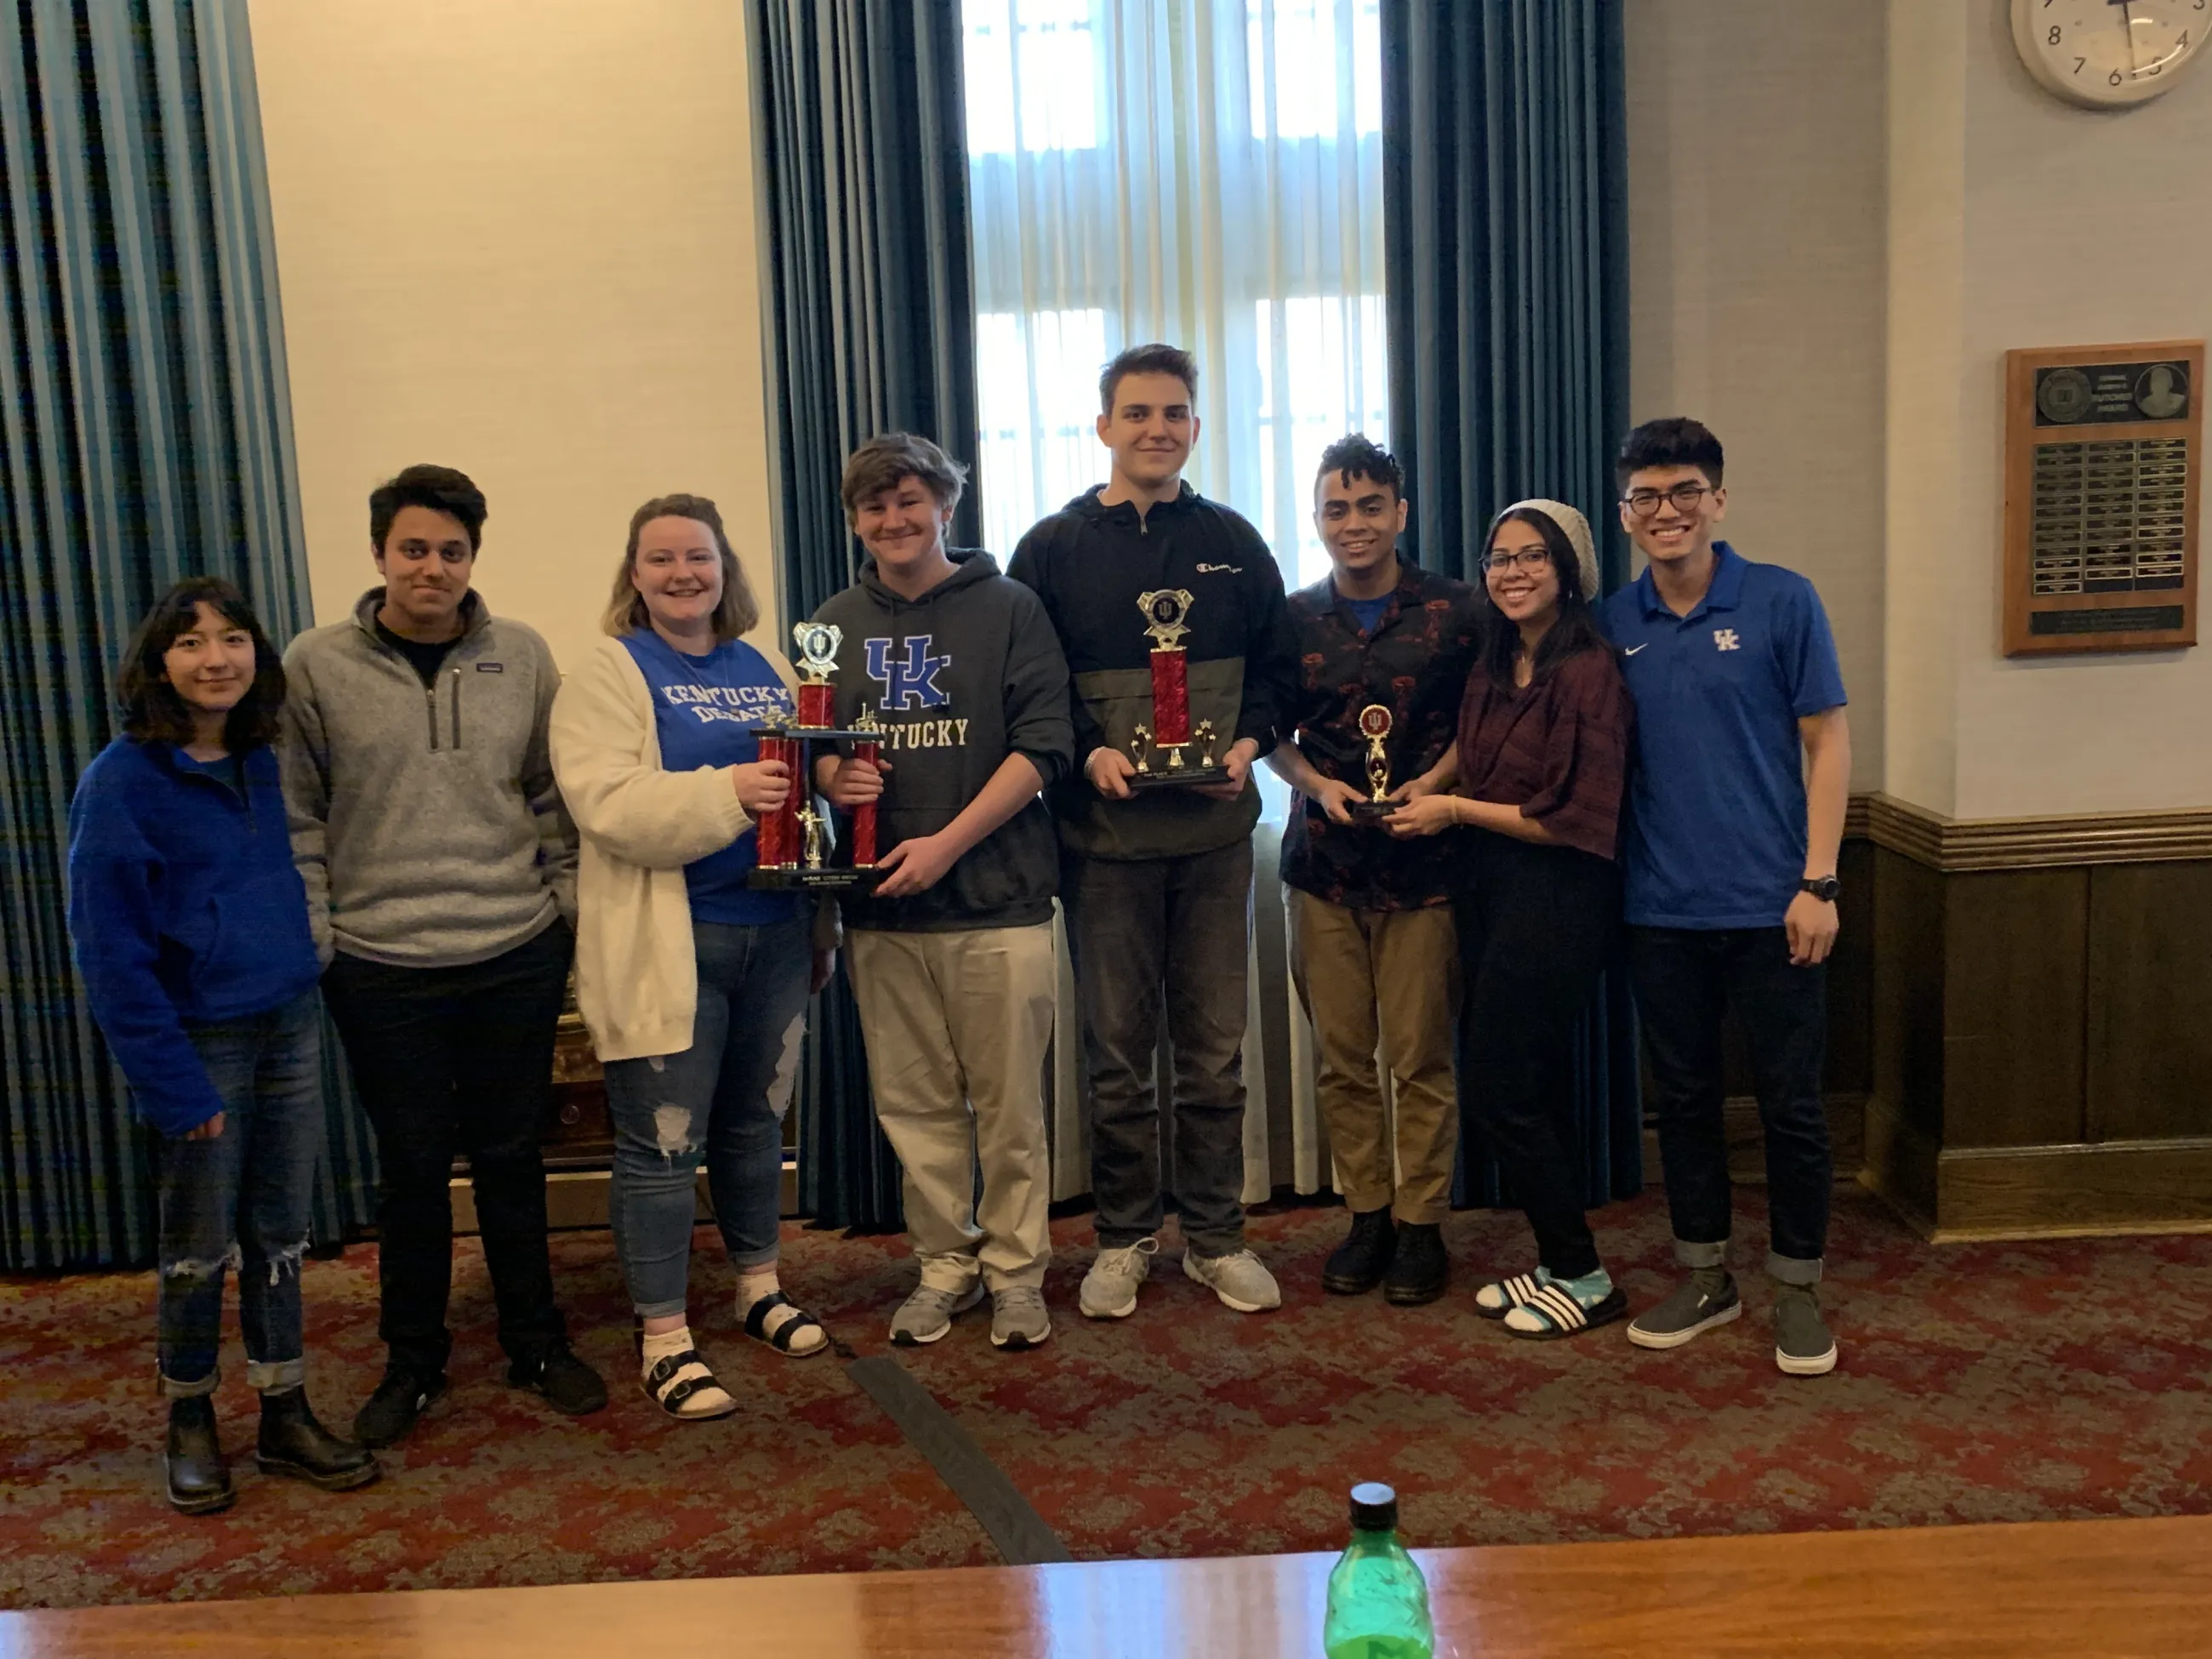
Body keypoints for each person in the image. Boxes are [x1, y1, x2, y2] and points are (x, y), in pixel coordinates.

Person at [280, 464, 605, 1446]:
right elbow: (297, 811)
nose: (433, 567)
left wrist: (565, 913)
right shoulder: (312, 664)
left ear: (473, 559)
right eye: (413, 548)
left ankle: (535, 1341)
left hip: (512, 948)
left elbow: (552, 795)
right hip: (381, 966)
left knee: (512, 1156)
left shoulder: (524, 653)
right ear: (379, 553)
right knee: (413, 1167)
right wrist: (322, 937)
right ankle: (413, 1362)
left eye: (452, 551)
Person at [69, 578, 379, 1514]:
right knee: (198, 1246)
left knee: (280, 1236)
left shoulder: (260, 759)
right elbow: (110, 956)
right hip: (197, 1044)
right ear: (157, 663)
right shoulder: (120, 783)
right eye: (192, 643)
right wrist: (173, 1088)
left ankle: (283, 1407)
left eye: (234, 639)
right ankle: (191, 1415)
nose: (217, 660)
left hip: (287, 1025)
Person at [1008, 342, 1299, 1320]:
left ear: (1195, 429)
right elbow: (1034, 688)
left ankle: (1215, 1239)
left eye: (1173, 413)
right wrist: (1088, 750)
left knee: (1213, 1055)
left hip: (1214, 844)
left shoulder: (1233, 539)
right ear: (1101, 427)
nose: (1155, 430)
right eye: (1136, 413)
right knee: (1117, 1057)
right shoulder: (1048, 549)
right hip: (1102, 851)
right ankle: (1125, 1238)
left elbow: (1275, 670)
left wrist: (1251, 740)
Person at [548, 493, 835, 1419]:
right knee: (663, 1144)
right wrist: (729, 791)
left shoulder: (766, 666)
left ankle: (757, 1287)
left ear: (724, 569)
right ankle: (663, 1334)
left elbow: (801, 789)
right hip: (670, 943)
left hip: (774, 933)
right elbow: (607, 804)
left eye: (699, 558)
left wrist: (837, 784)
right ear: (633, 574)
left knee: (757, 1126)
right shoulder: (607, 671)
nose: (683, 575)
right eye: (662, 559)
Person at [1597, 418, 1850, 1377]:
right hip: (1658, 909)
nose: (1666, 511)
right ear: (1625, 515)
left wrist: (1817, 881)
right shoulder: (1611, 622)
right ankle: (1706, 1276)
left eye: (1684, 492)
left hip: (1775, 907)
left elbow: (1826, 742)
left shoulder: (1783, 601)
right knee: (1688, 1105)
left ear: (1717, 501)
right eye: (1646, 497)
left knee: (1789, 1109)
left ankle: (1795, 1288)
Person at [811, 435, 1074, 1350]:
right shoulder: (830, 623)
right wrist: (832, 779)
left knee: (1008, 1109)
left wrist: (945, 846)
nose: (894, 521)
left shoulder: (1010, 608)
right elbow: (812, 755)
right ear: (855, 521)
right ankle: (943, 1265)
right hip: (882, 910)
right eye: (874, 508)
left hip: (997, 903)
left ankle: (1014, 1273)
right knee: (914, 1108)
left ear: (945, 507)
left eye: (910, 501)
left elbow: (1042, 751)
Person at [1391, 502, 1633, 1338]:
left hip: (1560, 893)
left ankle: (1582, 1273)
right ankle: (1557, 1260)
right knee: (1529, 1082)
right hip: (1491, 885)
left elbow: (1565, 816)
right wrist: (1432, 781)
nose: (1512, 572)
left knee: (1498, 1087)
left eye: (1532, 557)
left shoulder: (1588, 671)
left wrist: (1452, 808)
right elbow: (1471, 741)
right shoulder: (1500, 656)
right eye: (1498, 558)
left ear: (1568, 571)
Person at [1264, 436, 1479, 1305]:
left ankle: (1423, 1224)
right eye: (1333, 509)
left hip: (1426, 871)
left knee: (1420, 1058)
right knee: (1341, 1059)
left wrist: (1432, 782)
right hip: (1323, 871)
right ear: (1317, 519)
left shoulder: (1458, 611)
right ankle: (1367, 1216)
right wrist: (1314, 785)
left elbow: (1485, 718)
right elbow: (1269, 736)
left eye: (1367, 507)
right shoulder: (1289, 618)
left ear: (1398, 512)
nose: (1351, 524)